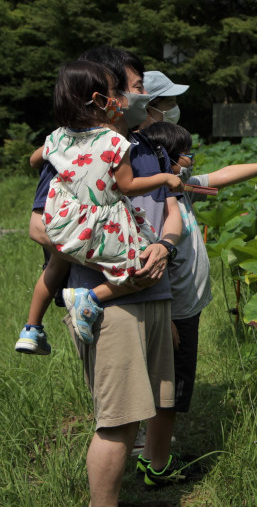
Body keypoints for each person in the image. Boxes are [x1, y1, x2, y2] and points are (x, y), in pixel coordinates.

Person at [27, 46, 181, 506]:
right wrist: (112, 258)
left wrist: (162, 248)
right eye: (133, 88)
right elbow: (41, 224)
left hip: (152, 289)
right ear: (103, 96)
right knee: (116, 420)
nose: (141, 96)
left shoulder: (144, 147)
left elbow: (168, 211)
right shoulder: (71, 151)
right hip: (107, 300)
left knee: (145, 409)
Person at [134, 122, 257, 482]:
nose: (193, 160)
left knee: (168, 389)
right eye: (187, 153)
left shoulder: (180, 191)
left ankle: (151, 456)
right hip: (174, 313)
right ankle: (159, 469)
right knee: (171, 394)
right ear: (166, 159)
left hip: (184, 309)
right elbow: (150, 262)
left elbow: (225, 175)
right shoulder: (154, 204)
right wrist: (162, 316)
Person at [15, 61, 183, 354]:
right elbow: (128, 185)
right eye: (116, 93)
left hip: (64, 220)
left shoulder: (57, 137)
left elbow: (34, 160)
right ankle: (89, 299)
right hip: (102, 222)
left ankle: (31, 328)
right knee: (139, 270)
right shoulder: (113, 142)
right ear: (100, 101)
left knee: (55, 265)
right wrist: (166, 178)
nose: (122, 100)